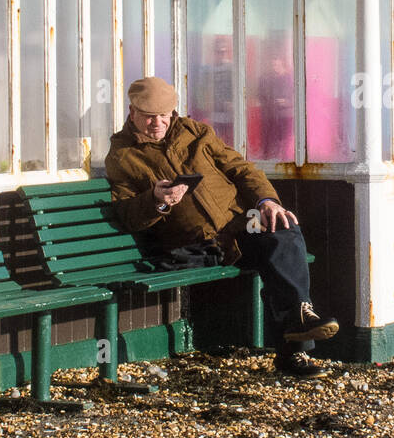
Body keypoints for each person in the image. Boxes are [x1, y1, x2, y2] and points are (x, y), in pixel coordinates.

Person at [104, 77, 337, 377]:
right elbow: (126, 213)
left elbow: (241, 169)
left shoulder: (196, 132)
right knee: (277, 259)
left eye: (164, 115)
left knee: (283, 228)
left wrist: (267, 200)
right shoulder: (122, 156)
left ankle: (300, 318)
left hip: (237, 225)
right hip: (195, 243)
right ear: (132, 111)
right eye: (149, 116)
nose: (157, 123)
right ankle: (295, 350)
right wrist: (157, 200)